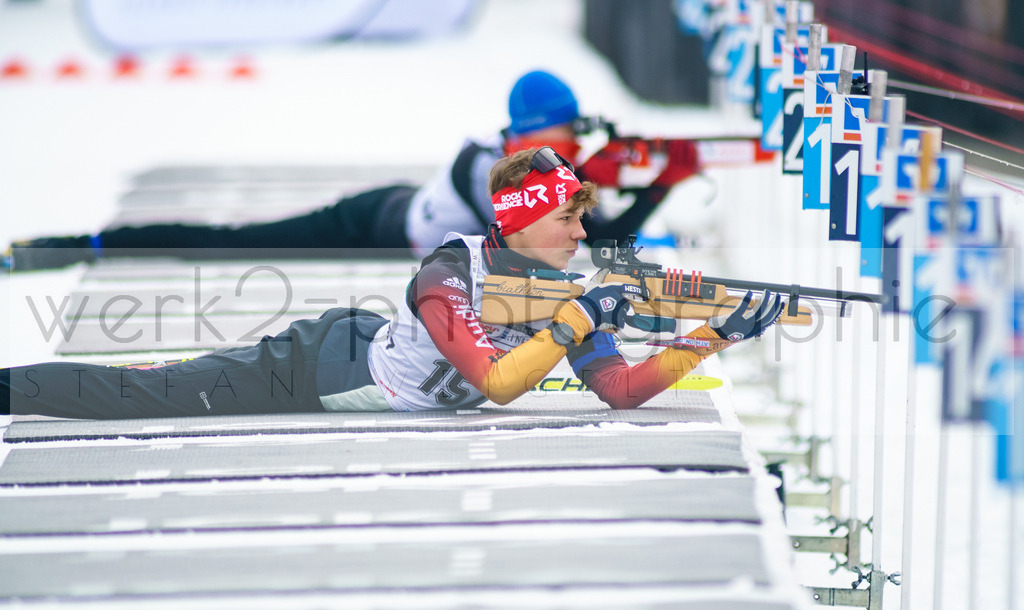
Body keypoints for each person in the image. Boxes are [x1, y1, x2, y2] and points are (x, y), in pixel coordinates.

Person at [1, 147, 780, 419]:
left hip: (373, 358)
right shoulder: (450, 271)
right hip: (310, 368)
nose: (583, 234)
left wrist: (710, 336)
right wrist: (579, 319)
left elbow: (619, 388)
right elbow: (501, 381)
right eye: (570, 219)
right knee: (150, 391)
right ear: (524, 222)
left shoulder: (557, 289)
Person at [3, 70, 699, 271]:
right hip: (372, 223)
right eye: (557, 132)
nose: (564, 144)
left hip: (397, 209)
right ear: (525, 131)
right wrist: (654, 187)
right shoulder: (491, 165)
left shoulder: (528, 158)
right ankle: (83, 245)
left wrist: (656, 180)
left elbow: (592, 235)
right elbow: (598, 238)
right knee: (230, 242)